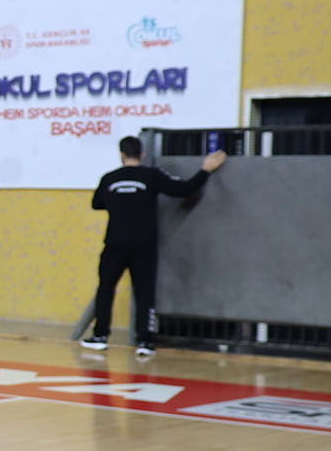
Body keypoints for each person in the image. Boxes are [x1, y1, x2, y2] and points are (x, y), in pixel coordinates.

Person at [85, 136, 226, 358]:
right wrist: (205, 170)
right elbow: (184, 189)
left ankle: (100, 336)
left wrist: (120, 203)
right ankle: (145, 342)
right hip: (144, 244)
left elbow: (96, 203)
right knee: (144, 293)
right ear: (141, 154)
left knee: (105, 288)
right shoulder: (151, 175)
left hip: (115, 243)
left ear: (122, 154)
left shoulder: (109, 178)